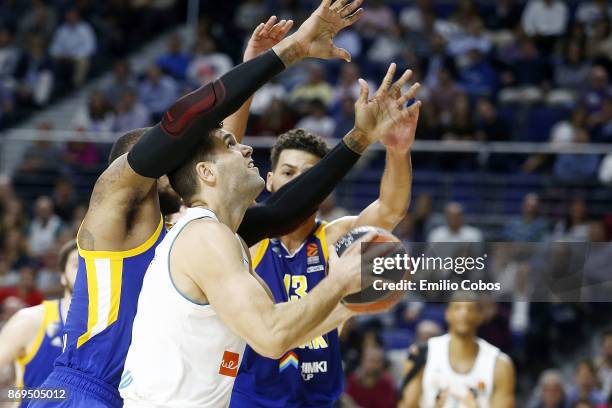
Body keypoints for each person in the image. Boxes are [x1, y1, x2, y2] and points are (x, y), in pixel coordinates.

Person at [31, 4, 369, 408]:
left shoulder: (190, 232)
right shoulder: (116, 211)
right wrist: (285, 53)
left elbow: (278, 211)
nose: (183, 156)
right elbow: (187, 125)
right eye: (172, 154)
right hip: (84, 389)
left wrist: (358, 139)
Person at [230, 66, 420, 407]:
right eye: (288, 173)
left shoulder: (335, 237)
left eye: (310, 175)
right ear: (270, 180)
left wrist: (398, 151)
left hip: (318, 398)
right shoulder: (247, 237)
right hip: (248, 398)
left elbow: (391, 209)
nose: (297, 183)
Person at [0, 240, 77, 407]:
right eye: (78, 265)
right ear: (62, 277)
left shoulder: (113, 328)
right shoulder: (31, 320)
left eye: (92, 266)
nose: (86, 272)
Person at [399, 300, 516, 408]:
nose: (463, 313)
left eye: (470, 309)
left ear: (480, 317)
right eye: (457, 308)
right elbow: (407, 405)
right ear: (447, 314)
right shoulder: (421, 354)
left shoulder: (499, 363)